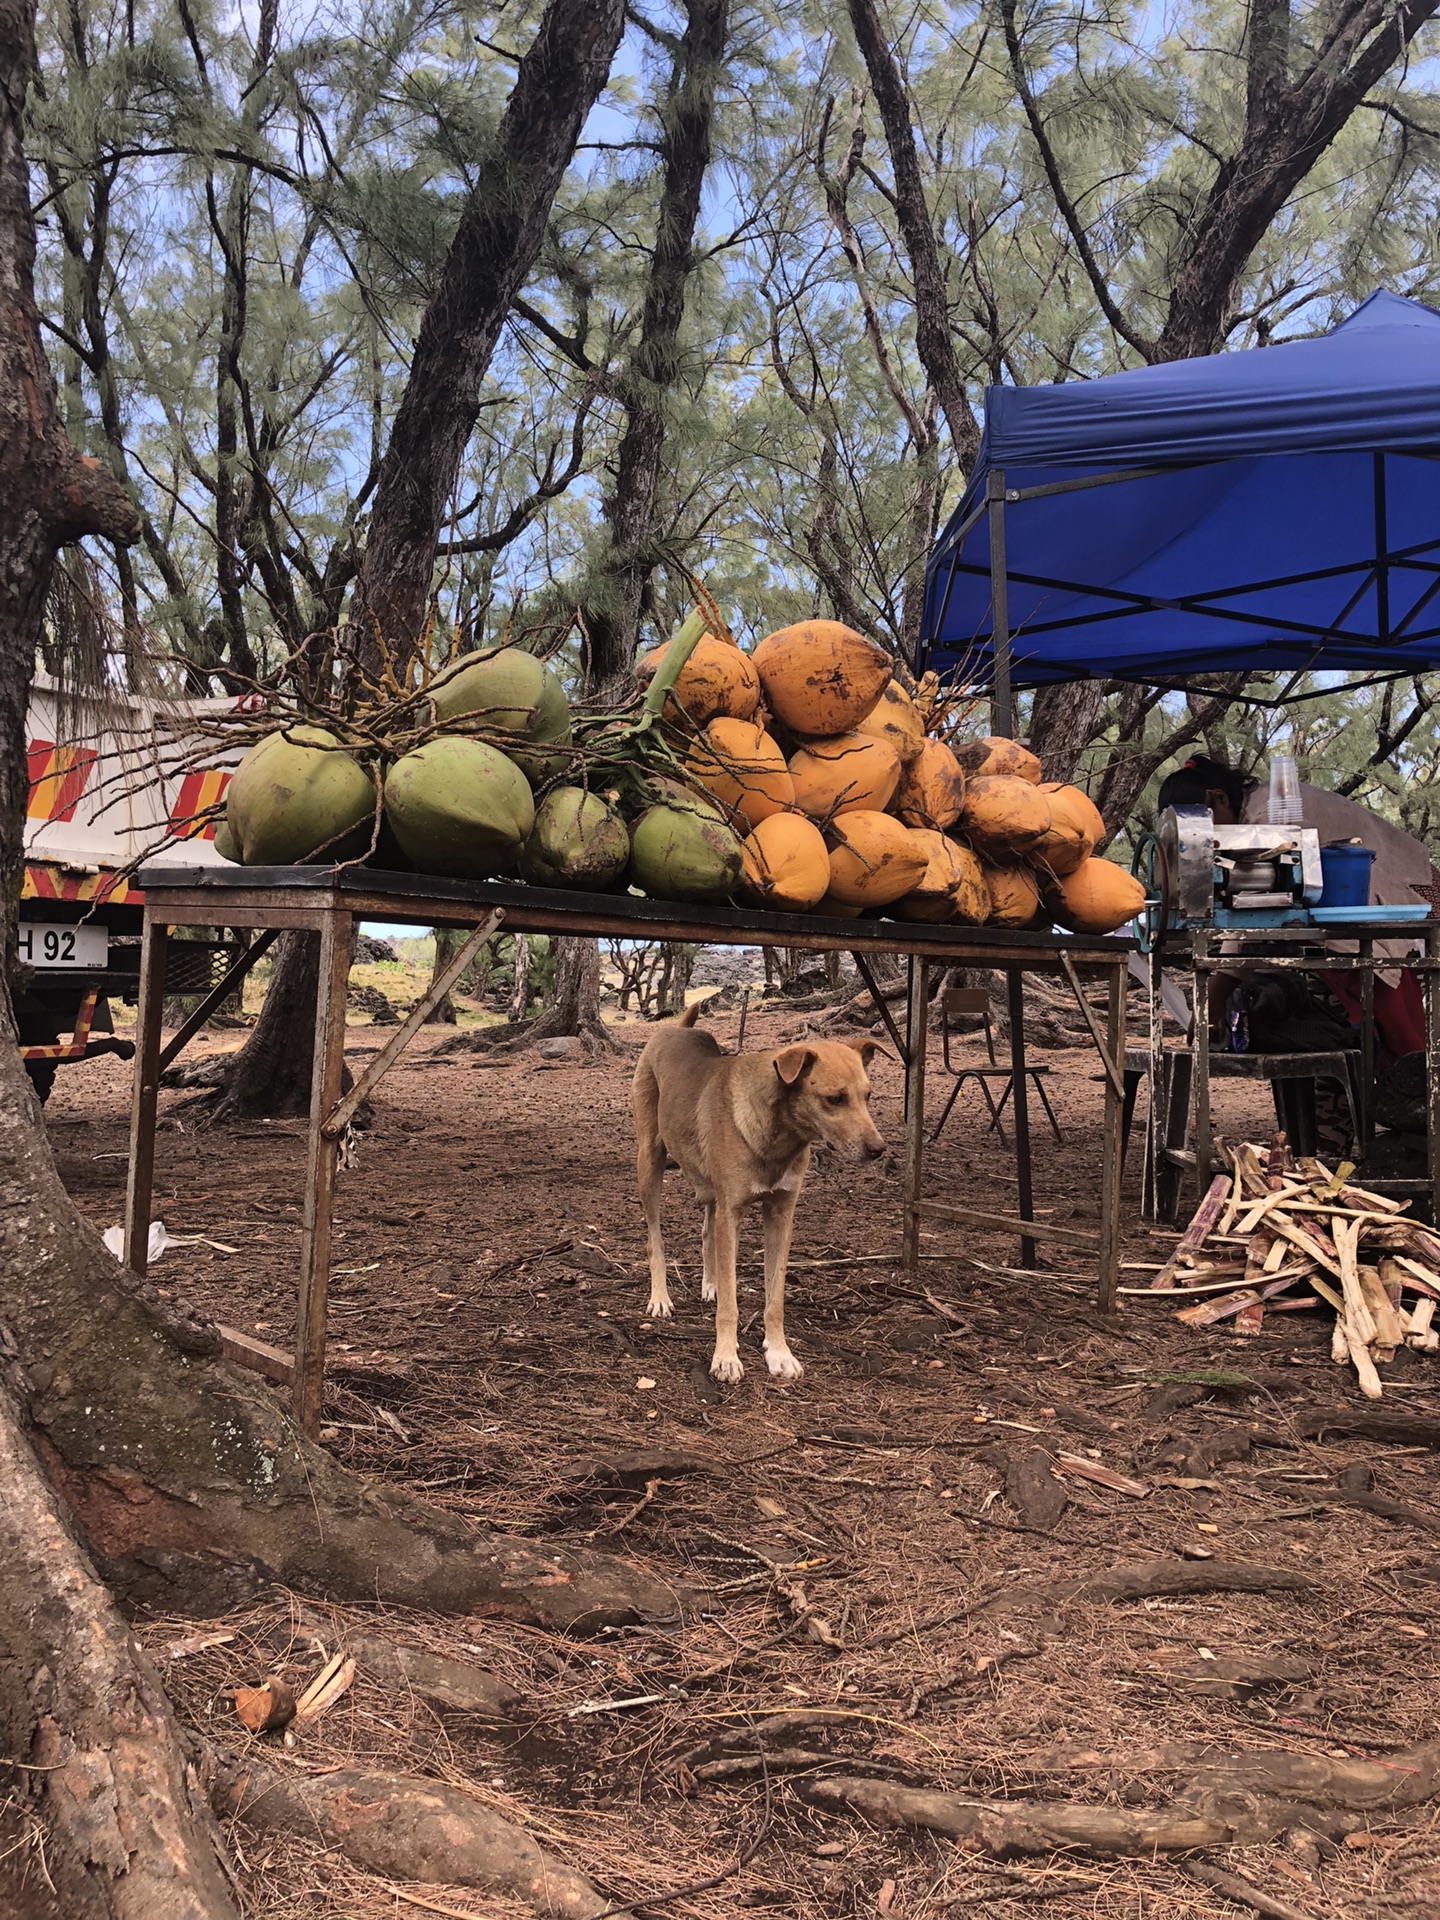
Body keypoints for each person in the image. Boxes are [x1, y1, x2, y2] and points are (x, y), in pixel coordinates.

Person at [1155, 752, 1436, 1071]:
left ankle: (1418, 1098)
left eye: (1202, 834)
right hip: (1355, 908)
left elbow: (1259, 908)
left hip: (1402, 895)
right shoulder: (1251, 811)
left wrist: (1217, 991)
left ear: (1217, 799)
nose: (1204, 845)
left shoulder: (1267, 819)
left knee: (1402, 1034)